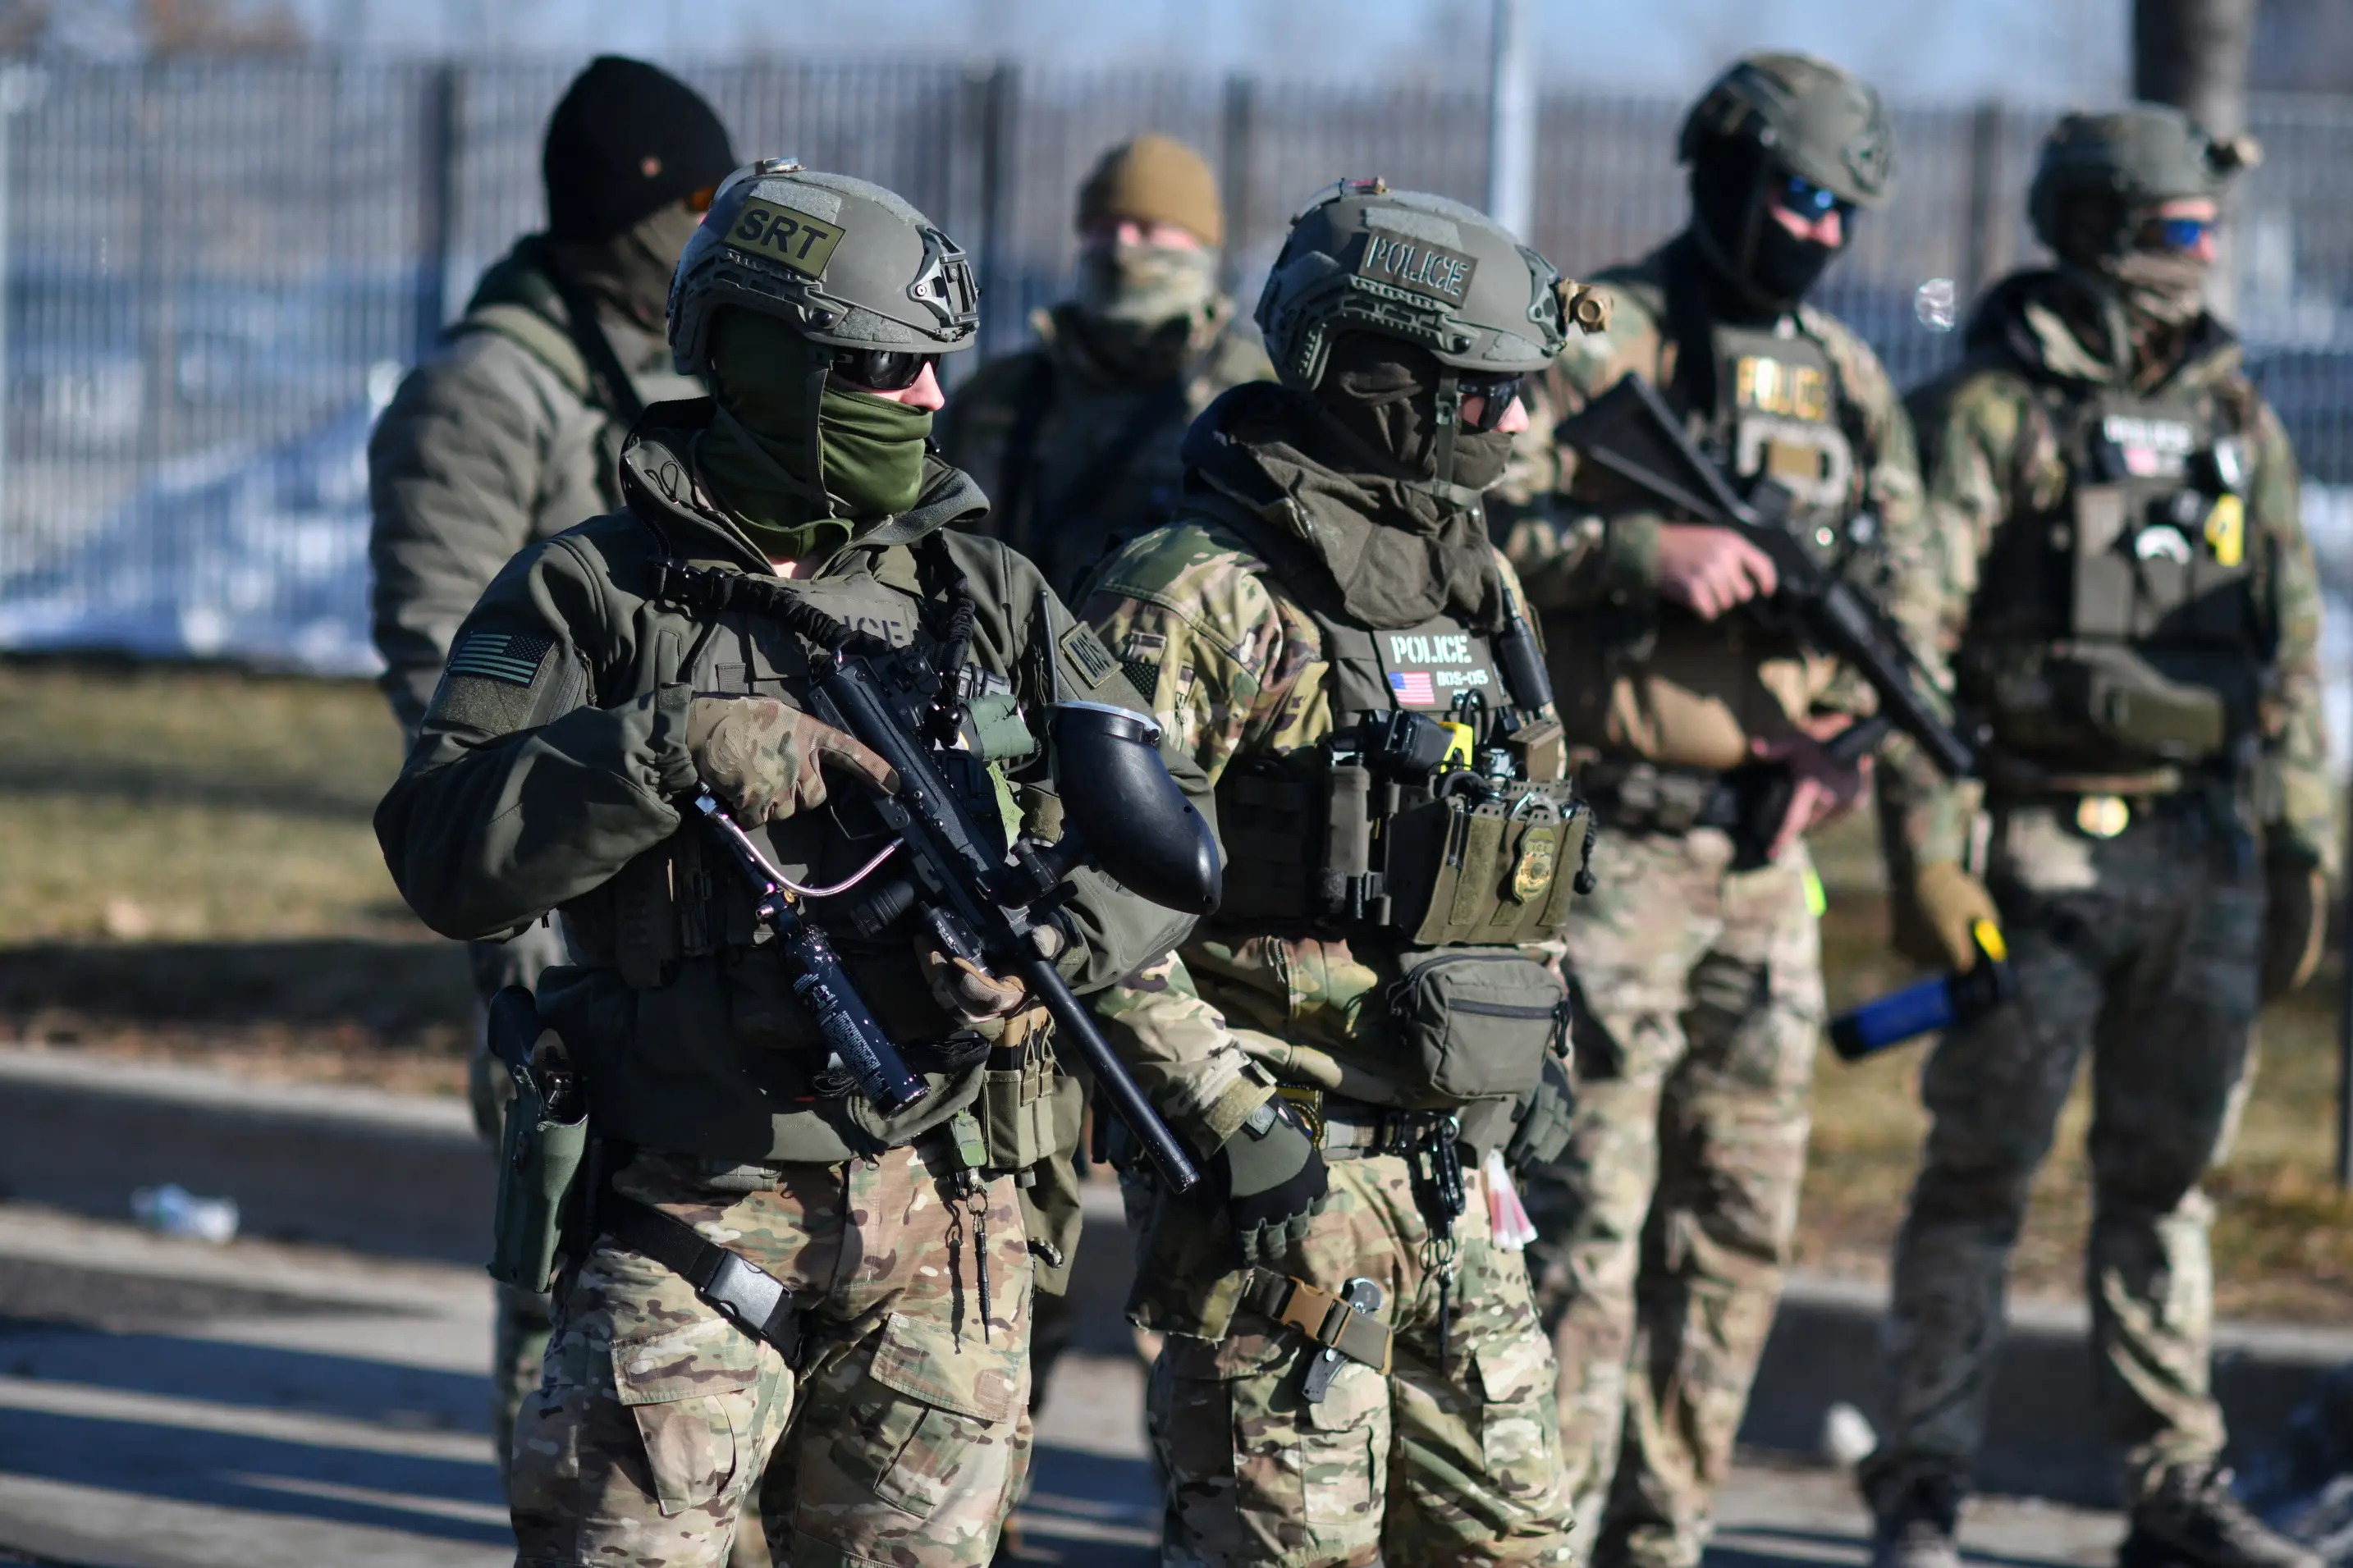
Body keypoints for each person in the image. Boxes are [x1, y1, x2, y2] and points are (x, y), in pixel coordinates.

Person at [374, 160, 1199, 1568]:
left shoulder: (985, 592)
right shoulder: (593, 592)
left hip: (948, 1226)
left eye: (936, 365)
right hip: (687, 1212)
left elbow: (1160, 836)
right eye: (887, 367)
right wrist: (668, 746)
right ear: (770, 365)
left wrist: (1050, 946)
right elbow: (445, 852)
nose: (929, 399)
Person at [1081, 178, 1592, 1568]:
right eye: (1487, 392)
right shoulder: (1195, 595)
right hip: (1281, 1185)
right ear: (1380, 380)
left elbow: (1525, 841)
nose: (1516, 424)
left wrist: (1535, 1043)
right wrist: (1233, 1128)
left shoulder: (1478, 587)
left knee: (1515, 1542)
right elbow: (1087, 911)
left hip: (1458, 1178)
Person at [1861, 106, 2330, 1568]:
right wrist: (1929, 853)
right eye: (2180, 230)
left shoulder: (2235, 418)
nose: (2201, 256)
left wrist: (2300, 840)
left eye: (2207, 233)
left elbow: (2287, 645)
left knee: (2163, 1187)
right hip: (2033, 855)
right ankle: (1920, 1485)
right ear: (2097, 231)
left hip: (2200, 861)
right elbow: (1906, 654)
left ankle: (2172, 1489)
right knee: (1977, 1179)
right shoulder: (1985, 414)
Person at [1490, 51, 1937, 1568]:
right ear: (1727, 173)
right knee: (1585, 1221)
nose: (1819, 233)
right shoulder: (1599, 334)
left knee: (1738, 1226)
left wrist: (1845, 750)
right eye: (1796, 197)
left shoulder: (1849, 382)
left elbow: (1912, 603)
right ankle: (1543, 1534)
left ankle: (1663, 1532)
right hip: (1609, 847)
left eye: (1843, 212)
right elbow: (1473, 519)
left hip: (1763, 863)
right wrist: (1640, 556)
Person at [364, 53, 735, 1484]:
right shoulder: (483, 390)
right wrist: (521, 902)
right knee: (570, 1244)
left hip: (693, 874)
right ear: (626, 211)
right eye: (690, 204)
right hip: (553, 876)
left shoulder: (672, 369)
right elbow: (439, 669)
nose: (706, 232)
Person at [938, 133, 1270, 598]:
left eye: (1147, 229)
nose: (1120, 247)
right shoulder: (1000, 396)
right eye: (1104, 227)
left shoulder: (1257, 399)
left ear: (1199, 243)